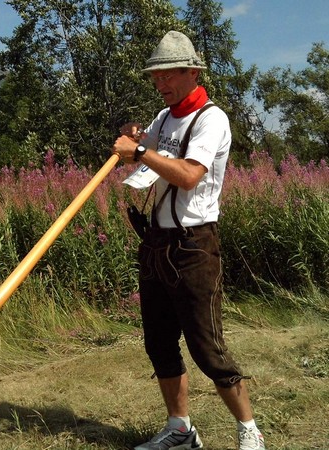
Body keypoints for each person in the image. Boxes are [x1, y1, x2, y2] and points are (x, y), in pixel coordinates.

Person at [111, 31, 265, 450]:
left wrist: (139, 153)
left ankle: (249, 431)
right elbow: (145, 151)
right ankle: (180, 429)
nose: (160, 83)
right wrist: (134, 139)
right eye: (156, 76)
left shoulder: (212, 119)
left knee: (206, 346)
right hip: (156, 243)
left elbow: (189, 175)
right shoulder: (164, 118)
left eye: (169, 75)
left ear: (193, 72)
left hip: (194, 245)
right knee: (159, 343)